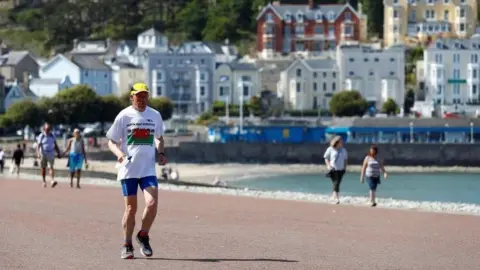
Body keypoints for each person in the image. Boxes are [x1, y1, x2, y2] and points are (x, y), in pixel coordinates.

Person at [106, 82, 167, 259]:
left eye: (145, 96)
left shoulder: (155, 115)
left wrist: (161, 152)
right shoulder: (124, 116)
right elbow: (111, 141)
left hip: (147, 169)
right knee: (131, 209)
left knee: (152, 203)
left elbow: (159, 138)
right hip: (128, 170)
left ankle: (143, 235)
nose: (142, 99)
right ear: (131, 97)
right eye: (138, 96)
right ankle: (127, 244)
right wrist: (119, 154)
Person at [323, 136, 348, 204]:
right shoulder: (330, 149)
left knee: (337, 183)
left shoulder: (343, 150)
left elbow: (345, 159)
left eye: (341, 141)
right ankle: (337, 198)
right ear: (336, 142)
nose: (342, 142)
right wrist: (328, 165)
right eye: (340, 141)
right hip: (333, 169)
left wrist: (345, 168)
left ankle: (333, 196)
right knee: (336, 183)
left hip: (341, 169)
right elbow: (326, 157)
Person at [37, 123, 62, 188]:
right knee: (43, 168)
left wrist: (58, 153)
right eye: (46, 129)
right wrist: (38, 153)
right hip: (43, 153)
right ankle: (44, 181)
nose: (48, 130)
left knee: (51, 167)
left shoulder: (52, 135)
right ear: (44, 129)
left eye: (49, 129)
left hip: (50, 153)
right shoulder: (41, 135)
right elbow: (38, 145)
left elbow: (55, 145)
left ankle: (52, 180)